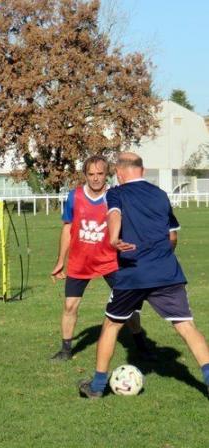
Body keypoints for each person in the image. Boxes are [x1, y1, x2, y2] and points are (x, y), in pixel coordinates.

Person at [79, 152, 209, 398]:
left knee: (111, 325)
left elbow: (114, 214)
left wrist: (114, 237)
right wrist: (161, 259)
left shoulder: (116, 193)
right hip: (167, 273)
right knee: (187, 327)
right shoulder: (160, 195)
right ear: (143, 170)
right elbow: (173, 236)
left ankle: (96, 387)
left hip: (133, 274)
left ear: (118, 172)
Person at [50, 155, 150, 361]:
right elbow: (68, 228)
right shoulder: (74, 197)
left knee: (128, 305)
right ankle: (66, 351)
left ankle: (141, 345)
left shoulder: (116, 197)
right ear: (85, 175)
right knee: (70, 306)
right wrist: (61, 260)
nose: (95, 178)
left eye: (100, 174)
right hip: (80, 261)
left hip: (110, 261)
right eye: (91, 174)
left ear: (107, 174)